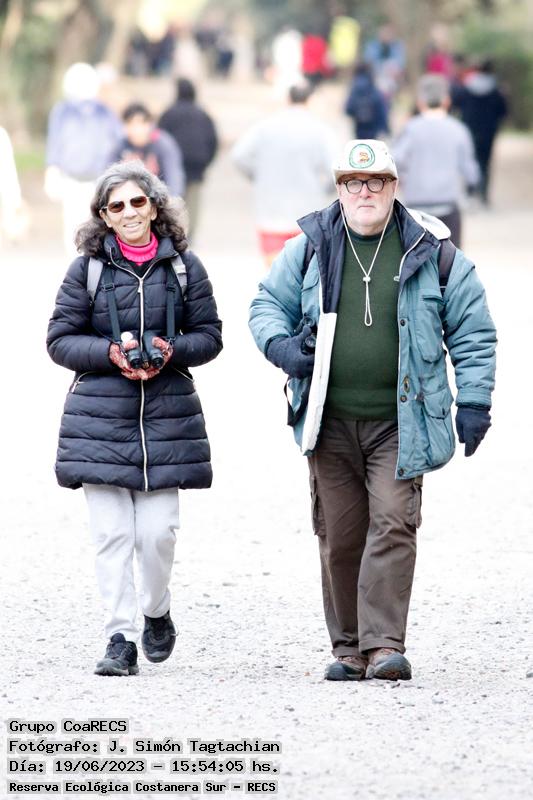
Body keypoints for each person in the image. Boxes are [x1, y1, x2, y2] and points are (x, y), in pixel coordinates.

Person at [249, 139, 496, 682]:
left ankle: (383, 645)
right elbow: (266, 305)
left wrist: (475, 400)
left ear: (393, 187)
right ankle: (348, 649)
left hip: (401, 421)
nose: (365, 192)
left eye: (376, 182)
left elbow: (474, 331)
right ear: (339, 189)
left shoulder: (431, 250)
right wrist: (284, 348)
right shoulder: (310, 246)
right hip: (328, 419)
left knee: (393, 524)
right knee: (340, 536)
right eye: (353, 183)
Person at [46, 160, 223, 676]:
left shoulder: (185, 267)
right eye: (116, 205)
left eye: (137, 202)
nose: (128, 212)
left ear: (154, 206)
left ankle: (156, 610)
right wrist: (109, 353)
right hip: (98, 420)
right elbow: (59, 340)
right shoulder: (86, 270)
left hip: (166, 419)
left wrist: (171, 351)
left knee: (158, 533)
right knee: (111, 535)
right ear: (103, 215)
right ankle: (119, 638)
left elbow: (210, 336)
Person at [231, 83, 337, 265]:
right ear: (309, 100)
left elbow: (239, 155)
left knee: (275, 271)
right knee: (305, 270)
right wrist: (325, 189)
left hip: (271, 211)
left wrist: (257, 176)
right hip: (308, 211)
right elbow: (335, 168)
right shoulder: (320, 130)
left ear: (288, 99)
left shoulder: (264, 127)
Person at [392, 74, 479, 247]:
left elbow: (396, 161)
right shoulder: (458, 130)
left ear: (420, 102)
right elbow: (471, 172)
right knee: (451, 259)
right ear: (447, 101)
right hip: (448, 205)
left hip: (416, 207)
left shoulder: (410, 129)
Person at [45, 62, 122, 254]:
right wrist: (52, 170)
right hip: (71, 178)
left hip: (98, 179)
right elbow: (55, 142)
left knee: (96, 226)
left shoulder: (104, 112)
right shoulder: (63, 111)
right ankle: (76, 265)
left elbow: (117, 142)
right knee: (72, 226)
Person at [159, 78, 218, 239]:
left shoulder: (169, 113)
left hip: (174, 164)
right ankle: (189, 234)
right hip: (197, 163)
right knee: (193, 201)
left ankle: (174, 232)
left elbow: (159, 138)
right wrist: (206, 161)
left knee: (174, 198)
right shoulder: (202, 114)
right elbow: (213, 140)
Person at [452, 60, 507, 205]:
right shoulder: (496, 90)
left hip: (469, 128)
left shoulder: (466, 87)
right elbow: (503, 111)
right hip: (488, 131)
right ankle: (484, 194)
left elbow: (456, 104)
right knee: (485, 162)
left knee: (469, 159)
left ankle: (470, 191)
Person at [110, 103, 185, 198]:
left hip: (158, 199)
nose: (136, 129)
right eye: (130, 123)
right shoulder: (120, 145)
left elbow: (174, 176)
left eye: (141, 123)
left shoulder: (163, 144)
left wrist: (171, 200)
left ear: (150, 124)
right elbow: (108, 175)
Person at [344, 63, 389, 140]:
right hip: (373, 128)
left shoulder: (354, 88)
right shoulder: (372, 86)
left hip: (359, 128)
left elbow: (348, 109)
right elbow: (381, 108)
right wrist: (385, 128)